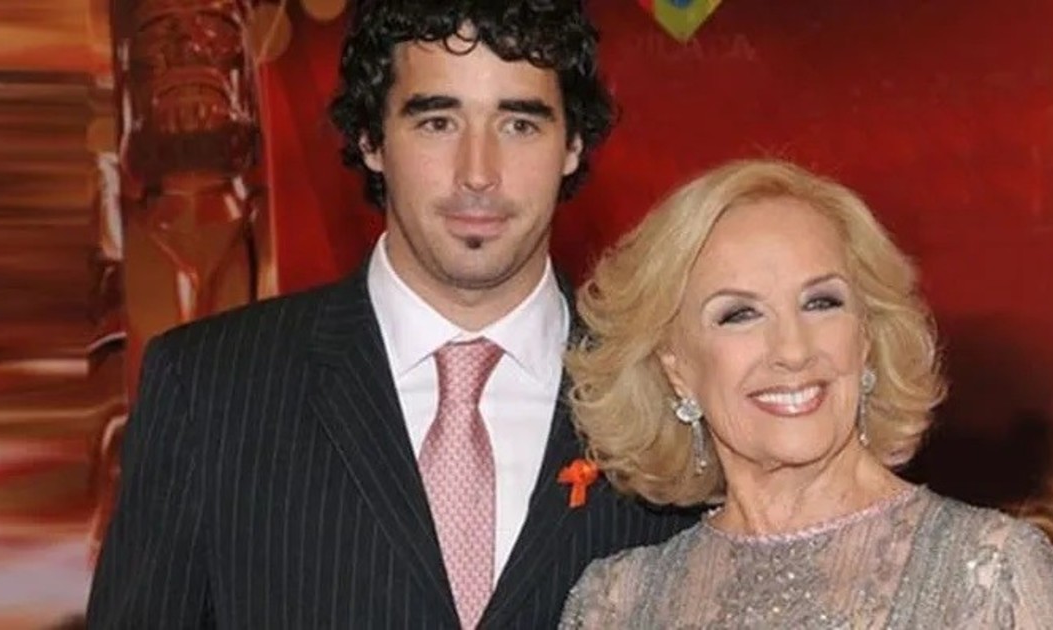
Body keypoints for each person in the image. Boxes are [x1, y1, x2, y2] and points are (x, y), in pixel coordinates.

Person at [86, 1, 695, 628]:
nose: (478, 173)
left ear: (572, 144)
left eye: (518, 124)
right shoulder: (209, 388)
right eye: (437, 122)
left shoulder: (673, 391)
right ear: (371, 139)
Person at [558, 159, 1053, 628]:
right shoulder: (618, 601)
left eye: (822, 303)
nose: (793, 350)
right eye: (740, 314)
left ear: (865, 337)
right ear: (675, 368)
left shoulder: (988, 570)